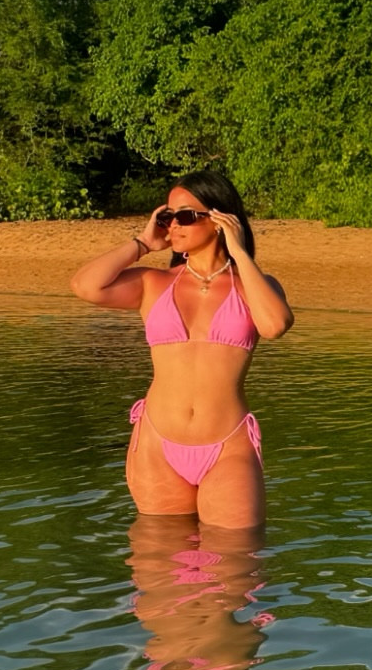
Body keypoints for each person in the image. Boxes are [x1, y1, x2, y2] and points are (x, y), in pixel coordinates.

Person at [70, 169, 293, 528]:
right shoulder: (153, 283)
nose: (173, 225)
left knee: (235, 566)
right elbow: (85, 285)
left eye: (185, 216)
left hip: (227, 447)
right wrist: (143, 242)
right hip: (157, 443)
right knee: (159, 569)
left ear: (220, 219)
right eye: (167, 216)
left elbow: (275, 325)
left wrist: (238, 251)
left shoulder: (254, 286)